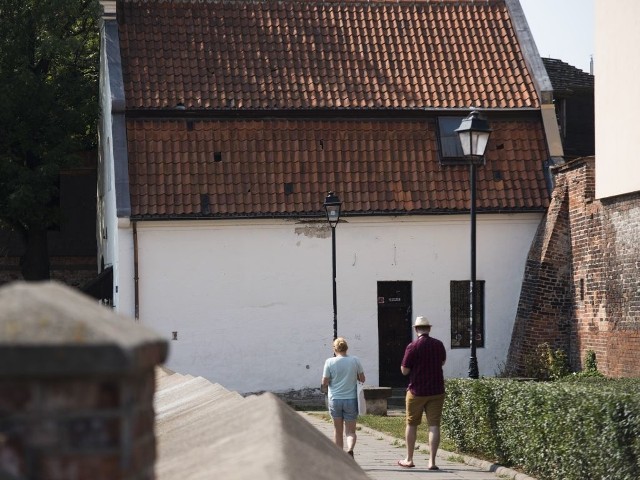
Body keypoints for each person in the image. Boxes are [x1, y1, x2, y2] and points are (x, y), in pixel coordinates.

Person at [397, 315, 446, 470]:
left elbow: (404, 371)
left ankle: (409, 459)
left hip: (416, 391)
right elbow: (443, 362)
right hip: (437, 390)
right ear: (429, 329)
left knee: (411, 424)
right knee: (434, 425)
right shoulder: (439, 344)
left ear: (416, 329)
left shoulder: (412, 346)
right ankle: (432, 461)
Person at [321, 337, 365, 457]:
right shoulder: (355, 360)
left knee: (337, 430)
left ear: (334, 349)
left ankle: (340, 457)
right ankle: (350, 449)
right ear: (346, 348)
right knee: (351, 431)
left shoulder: (329, 362)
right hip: (351, 399)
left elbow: (324, 382)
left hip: (335, 399)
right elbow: (362, 379)